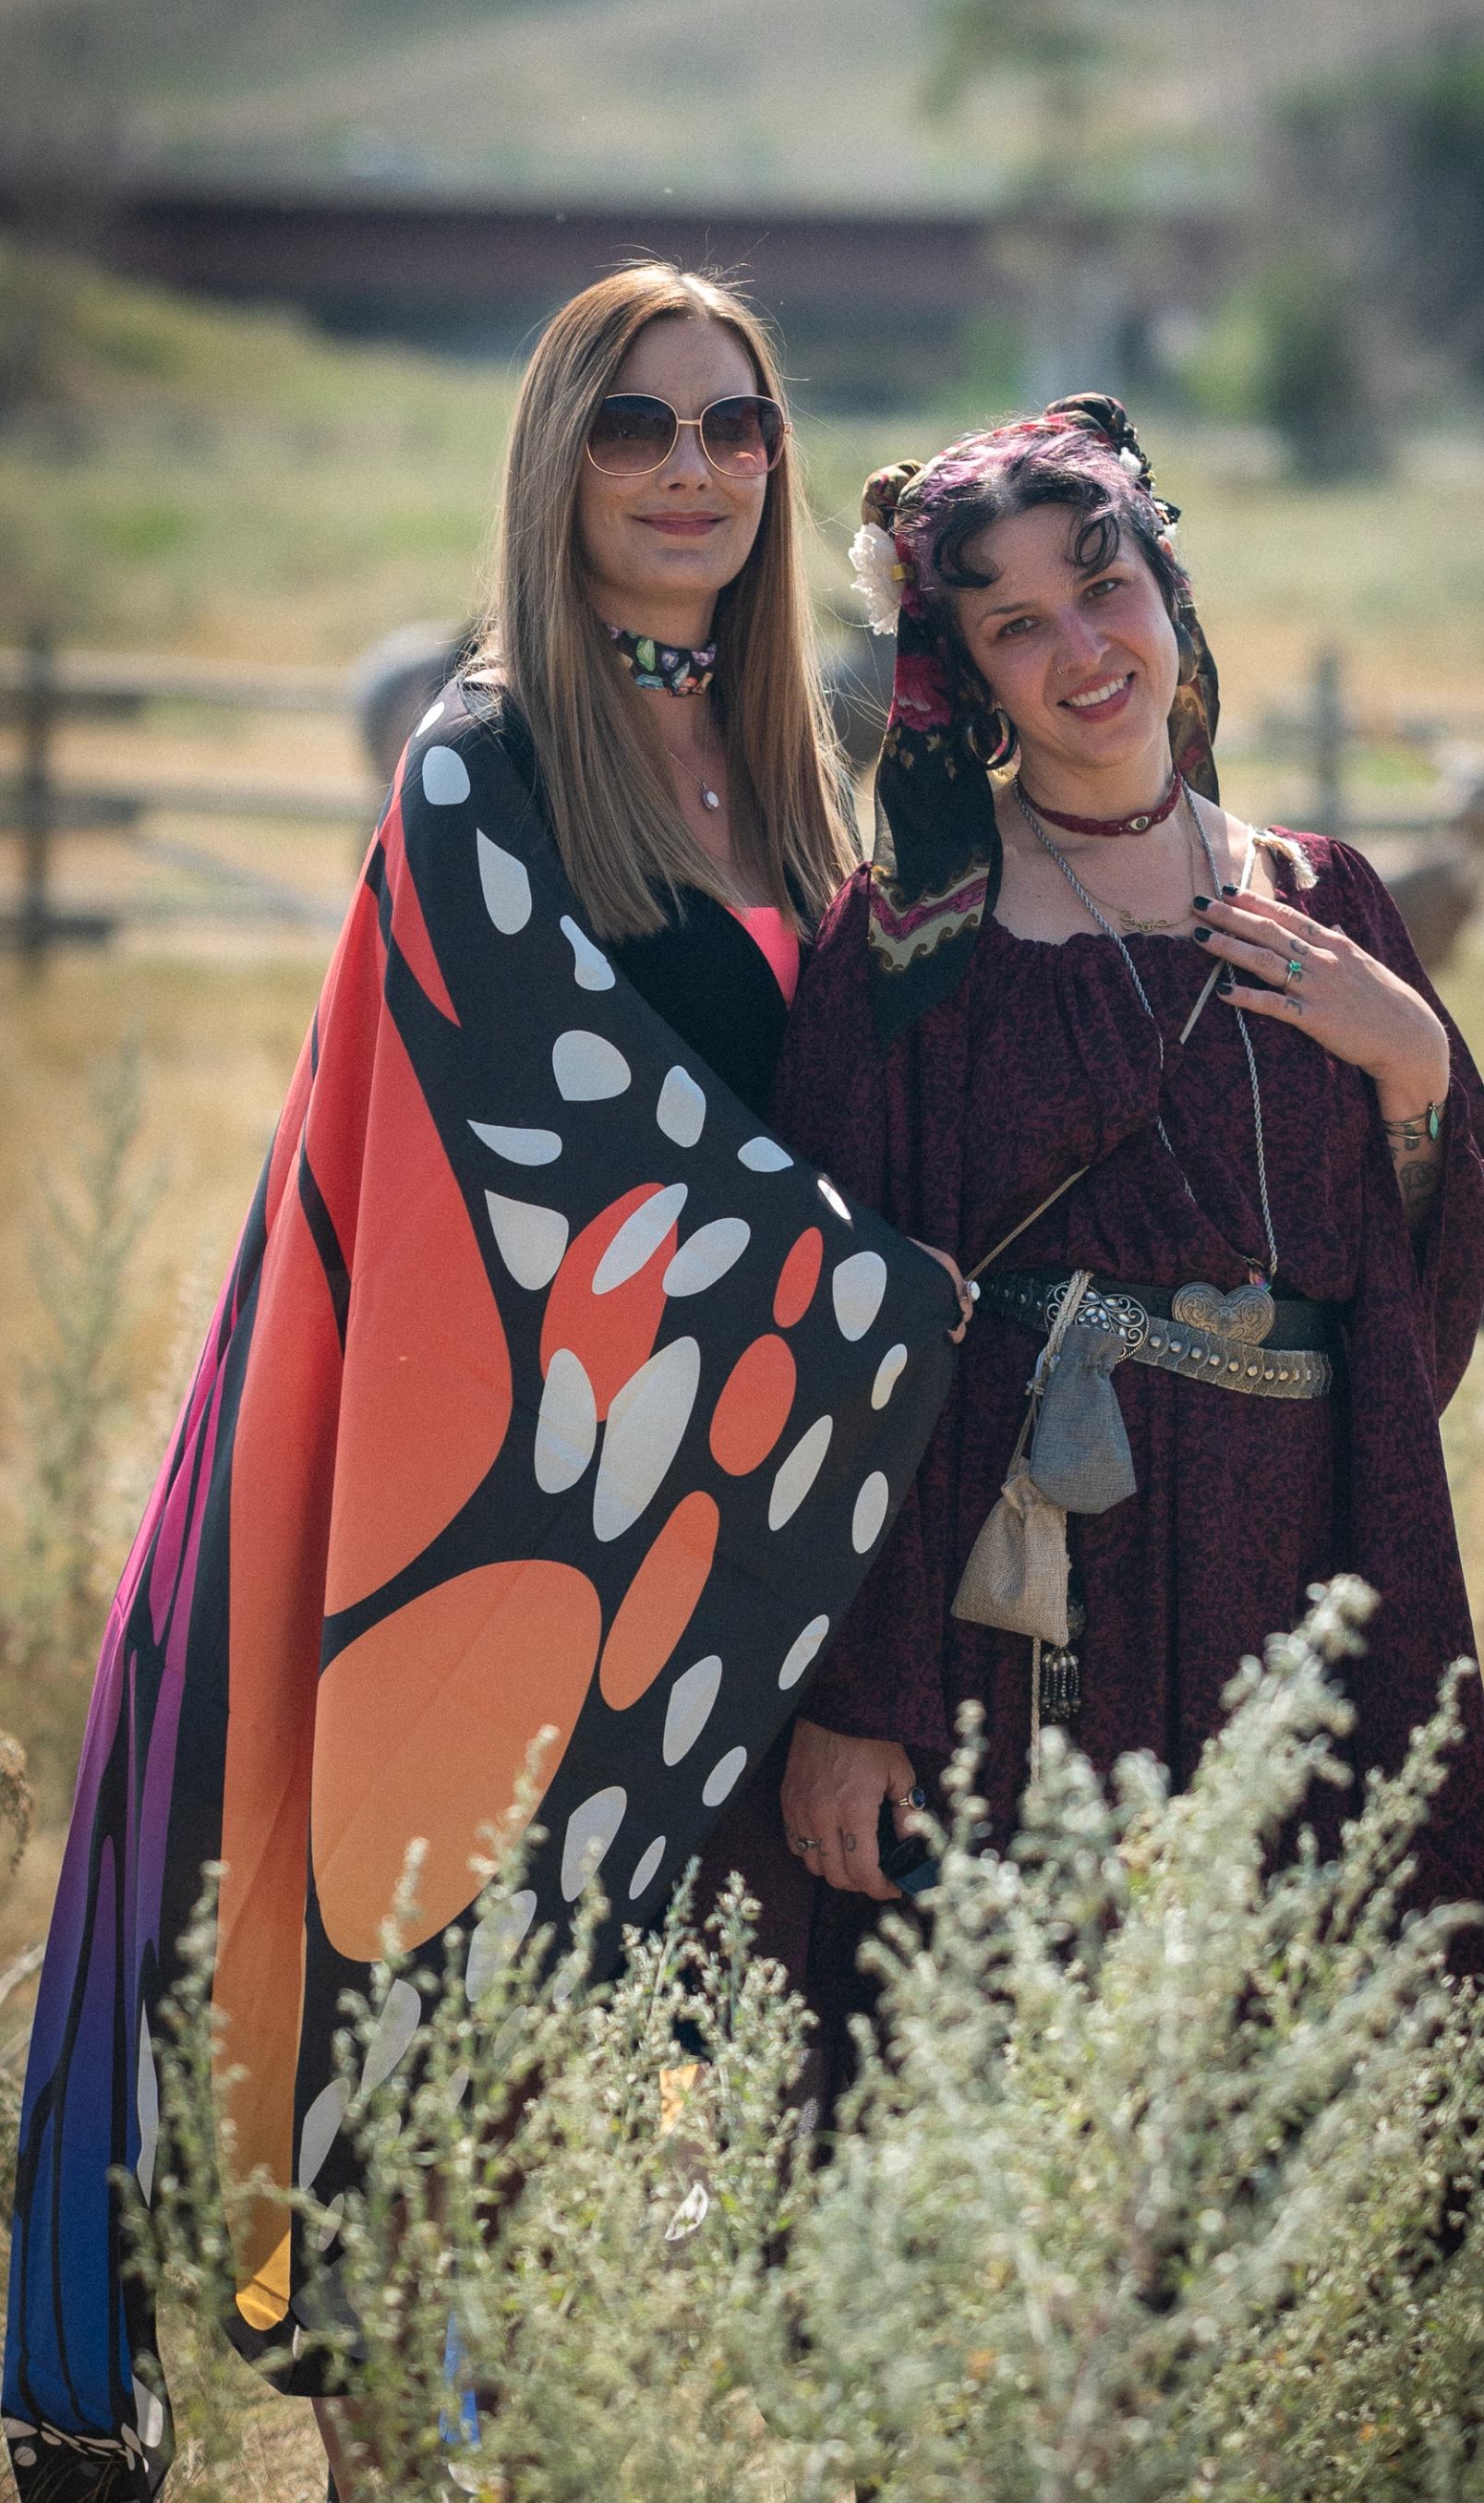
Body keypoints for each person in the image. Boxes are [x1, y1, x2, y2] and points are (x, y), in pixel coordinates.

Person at [4, 263, 966, 2503]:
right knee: (443, 2076)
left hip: (697, 1554)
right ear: (557, 459)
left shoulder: (776, 776)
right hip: (489, 1534)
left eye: (734, 426)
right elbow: (553, 1132)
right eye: (637, 425)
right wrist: (892, 1308)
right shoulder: (490, 758)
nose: (692, 467)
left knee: (576, 2135)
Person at [689, 393, 1484, 2110]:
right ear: (963, 673)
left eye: (1105, 582)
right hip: (1023, 1602)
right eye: (1016, 623)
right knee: (1017, 2070)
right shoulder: (911, 939)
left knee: (1282, 2050)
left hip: (1297, 1579)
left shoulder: (1330, 901)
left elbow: (1421, 1325)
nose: (1083, 648)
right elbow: (839, 1341)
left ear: (1167, 581)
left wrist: (1417, 1069)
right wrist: (857, 1693)